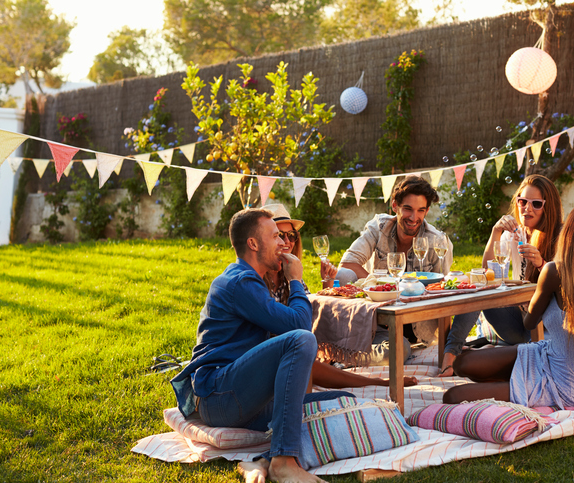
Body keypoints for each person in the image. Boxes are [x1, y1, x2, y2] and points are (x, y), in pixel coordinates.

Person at [170, 208, 344, 483]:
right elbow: (298, 326)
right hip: (220, 397)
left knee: (340, 402)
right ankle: (283, 463)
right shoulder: (240, 282)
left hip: (245, 396)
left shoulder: (254, 281)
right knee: (301, 340)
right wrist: (296, 279)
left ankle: (258, 459)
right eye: (275, 236)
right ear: (253, 244)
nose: (283, 243)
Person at [443, 200, 574, 407]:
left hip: (566, 385)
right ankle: (513, 384)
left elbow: (529, 322)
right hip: (545, 354)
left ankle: (515, 386)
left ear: (571, 234)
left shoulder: (556, 272)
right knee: (462, 363)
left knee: (451, 397)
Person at [263, 203, 418, 388]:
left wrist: (327, 284)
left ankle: (341, 361)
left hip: (312, 345)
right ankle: (365, 375)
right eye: (280, 235)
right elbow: (296, 326)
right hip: (290, 353)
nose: (287, 241)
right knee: (395, 350)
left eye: (292, 235)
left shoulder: (291, 274)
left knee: (399, 345)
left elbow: (313, 313)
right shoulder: (258, 282)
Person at [439, 174, 563, 376]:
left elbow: (567, 291)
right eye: (522, 201)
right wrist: (495, 232)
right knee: (478, 283)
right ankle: (450, 353)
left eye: (536, 204)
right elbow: (488, 272)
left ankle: (497, 352)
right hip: (518, 326)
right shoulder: (515, 234)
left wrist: (542, 265)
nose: (527, 208)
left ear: (548, 207)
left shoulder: (562, 237)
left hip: (548, 331)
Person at [337, 175, 454, 364]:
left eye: (420, 211)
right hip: (379, 320)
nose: (414, 218)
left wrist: (448, 346)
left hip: (416, 327)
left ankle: (347, 355)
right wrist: (383, 289)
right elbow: (347, 264)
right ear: (395, 206)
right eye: (407, 209)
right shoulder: (379, 228)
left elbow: (445, 292)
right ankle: (350, 346)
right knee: (342, 276)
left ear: (427, 211)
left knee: (400, 350)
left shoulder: (437, 241)